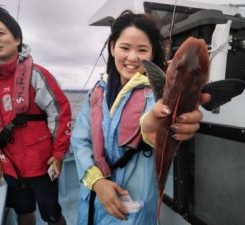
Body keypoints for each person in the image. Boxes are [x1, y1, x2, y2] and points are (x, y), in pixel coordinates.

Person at [70, 10, 210, 225]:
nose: (133, 57)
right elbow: (80, 139)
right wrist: (96, 182)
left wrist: (173, 121)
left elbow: (151, 123)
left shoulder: (158, 96)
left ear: (153, 54)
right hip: (90, 201)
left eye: (142, 50)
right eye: (125, 48)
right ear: (112, 47)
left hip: (131, 211)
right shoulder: (97, 91)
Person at [0, 7, 71, 225]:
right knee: (23, 211)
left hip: (41, 164)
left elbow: (61, 113)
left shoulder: (36, 75)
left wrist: (59, 154)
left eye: (0, 33)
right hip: (10, 164)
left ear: (17, 38)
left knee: (52, 213)